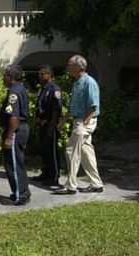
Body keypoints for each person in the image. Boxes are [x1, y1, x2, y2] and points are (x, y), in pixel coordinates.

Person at [55, 55, 104, 194]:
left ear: (78, 67)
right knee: (86, 153)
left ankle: (71, 186)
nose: (67, 67)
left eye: (70, 64)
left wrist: (85, 121)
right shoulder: (77, 83)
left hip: (84, 121)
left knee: (71, 151)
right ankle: (97, 184)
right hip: (79, 120)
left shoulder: (89, 82)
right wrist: (63, 120)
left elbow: (94, 104)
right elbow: (73, 106)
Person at [0, 64, 31, 206]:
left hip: (16, 131)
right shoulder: (18, 88)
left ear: (10, 77)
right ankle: (20, 191)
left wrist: (9, 137)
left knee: (14, 164)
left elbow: (13, 117)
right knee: (14, 163)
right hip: (19, 129)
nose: (3, 78)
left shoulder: (14, 92)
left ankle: (20, 196)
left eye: (5, 75)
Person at [32, 65, 62, 187]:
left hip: (50, 124)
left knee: (52, 151)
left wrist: (52, 126)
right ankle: (46, 172)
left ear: (50, 75)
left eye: (43, 74)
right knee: (44, 150)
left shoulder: (55, 89)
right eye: (40, 73)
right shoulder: (43, 89)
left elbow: (56, 109)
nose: (40, 76)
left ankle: (54, 177)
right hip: (42, 124)